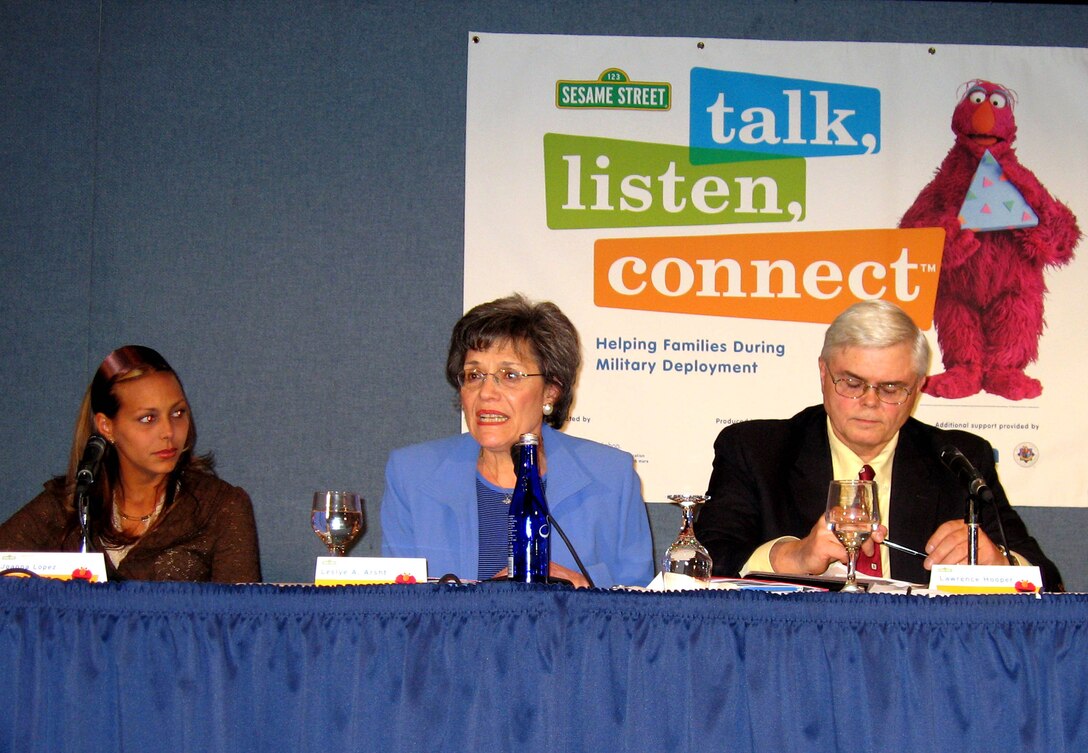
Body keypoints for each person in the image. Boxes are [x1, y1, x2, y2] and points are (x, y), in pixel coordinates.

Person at [695, 300, 1063, 591]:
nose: (869, 402)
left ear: (917, 387)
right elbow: (703, 564)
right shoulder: (756, 450)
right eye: (852, 383)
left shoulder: (959, 459)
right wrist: (794, 557)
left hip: (917, 654)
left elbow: (1048, 581)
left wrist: (996, 563)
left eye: (890, 388)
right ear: (824, 373)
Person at [380, 293, 654, 587]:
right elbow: (398, 610)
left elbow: (640, 608)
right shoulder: (412, 474)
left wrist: (583, 589)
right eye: (474, 375)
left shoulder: (611, 476)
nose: (486, 392)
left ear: (551, 390)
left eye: (509, 375)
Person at [0, 346, 261, 582]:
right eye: (148, 418)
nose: (168, 431)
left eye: (178, 413)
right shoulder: (71, 503)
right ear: (107, 427)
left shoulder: (220, 507)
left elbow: (241, 621)